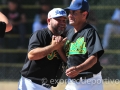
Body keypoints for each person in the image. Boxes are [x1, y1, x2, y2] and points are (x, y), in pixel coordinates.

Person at [18, 8, 67, 90]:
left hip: (47, 86)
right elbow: (31, 55)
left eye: (64, 20)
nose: (62, 23)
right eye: (58, 20)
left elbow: (67, 61)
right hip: (31, 84)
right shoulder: (40, 34)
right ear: (48, 21)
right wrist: (53, 47)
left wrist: (59, 48)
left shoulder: (64, 39)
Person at [64, 0, 104, 90]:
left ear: (84, 14)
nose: (70, 15)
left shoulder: (90, 32)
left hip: (90, 82)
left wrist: (78, 69)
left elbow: (94, 58)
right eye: (69, 12)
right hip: (72, 82)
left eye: (74, 12)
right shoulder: (69, 33)